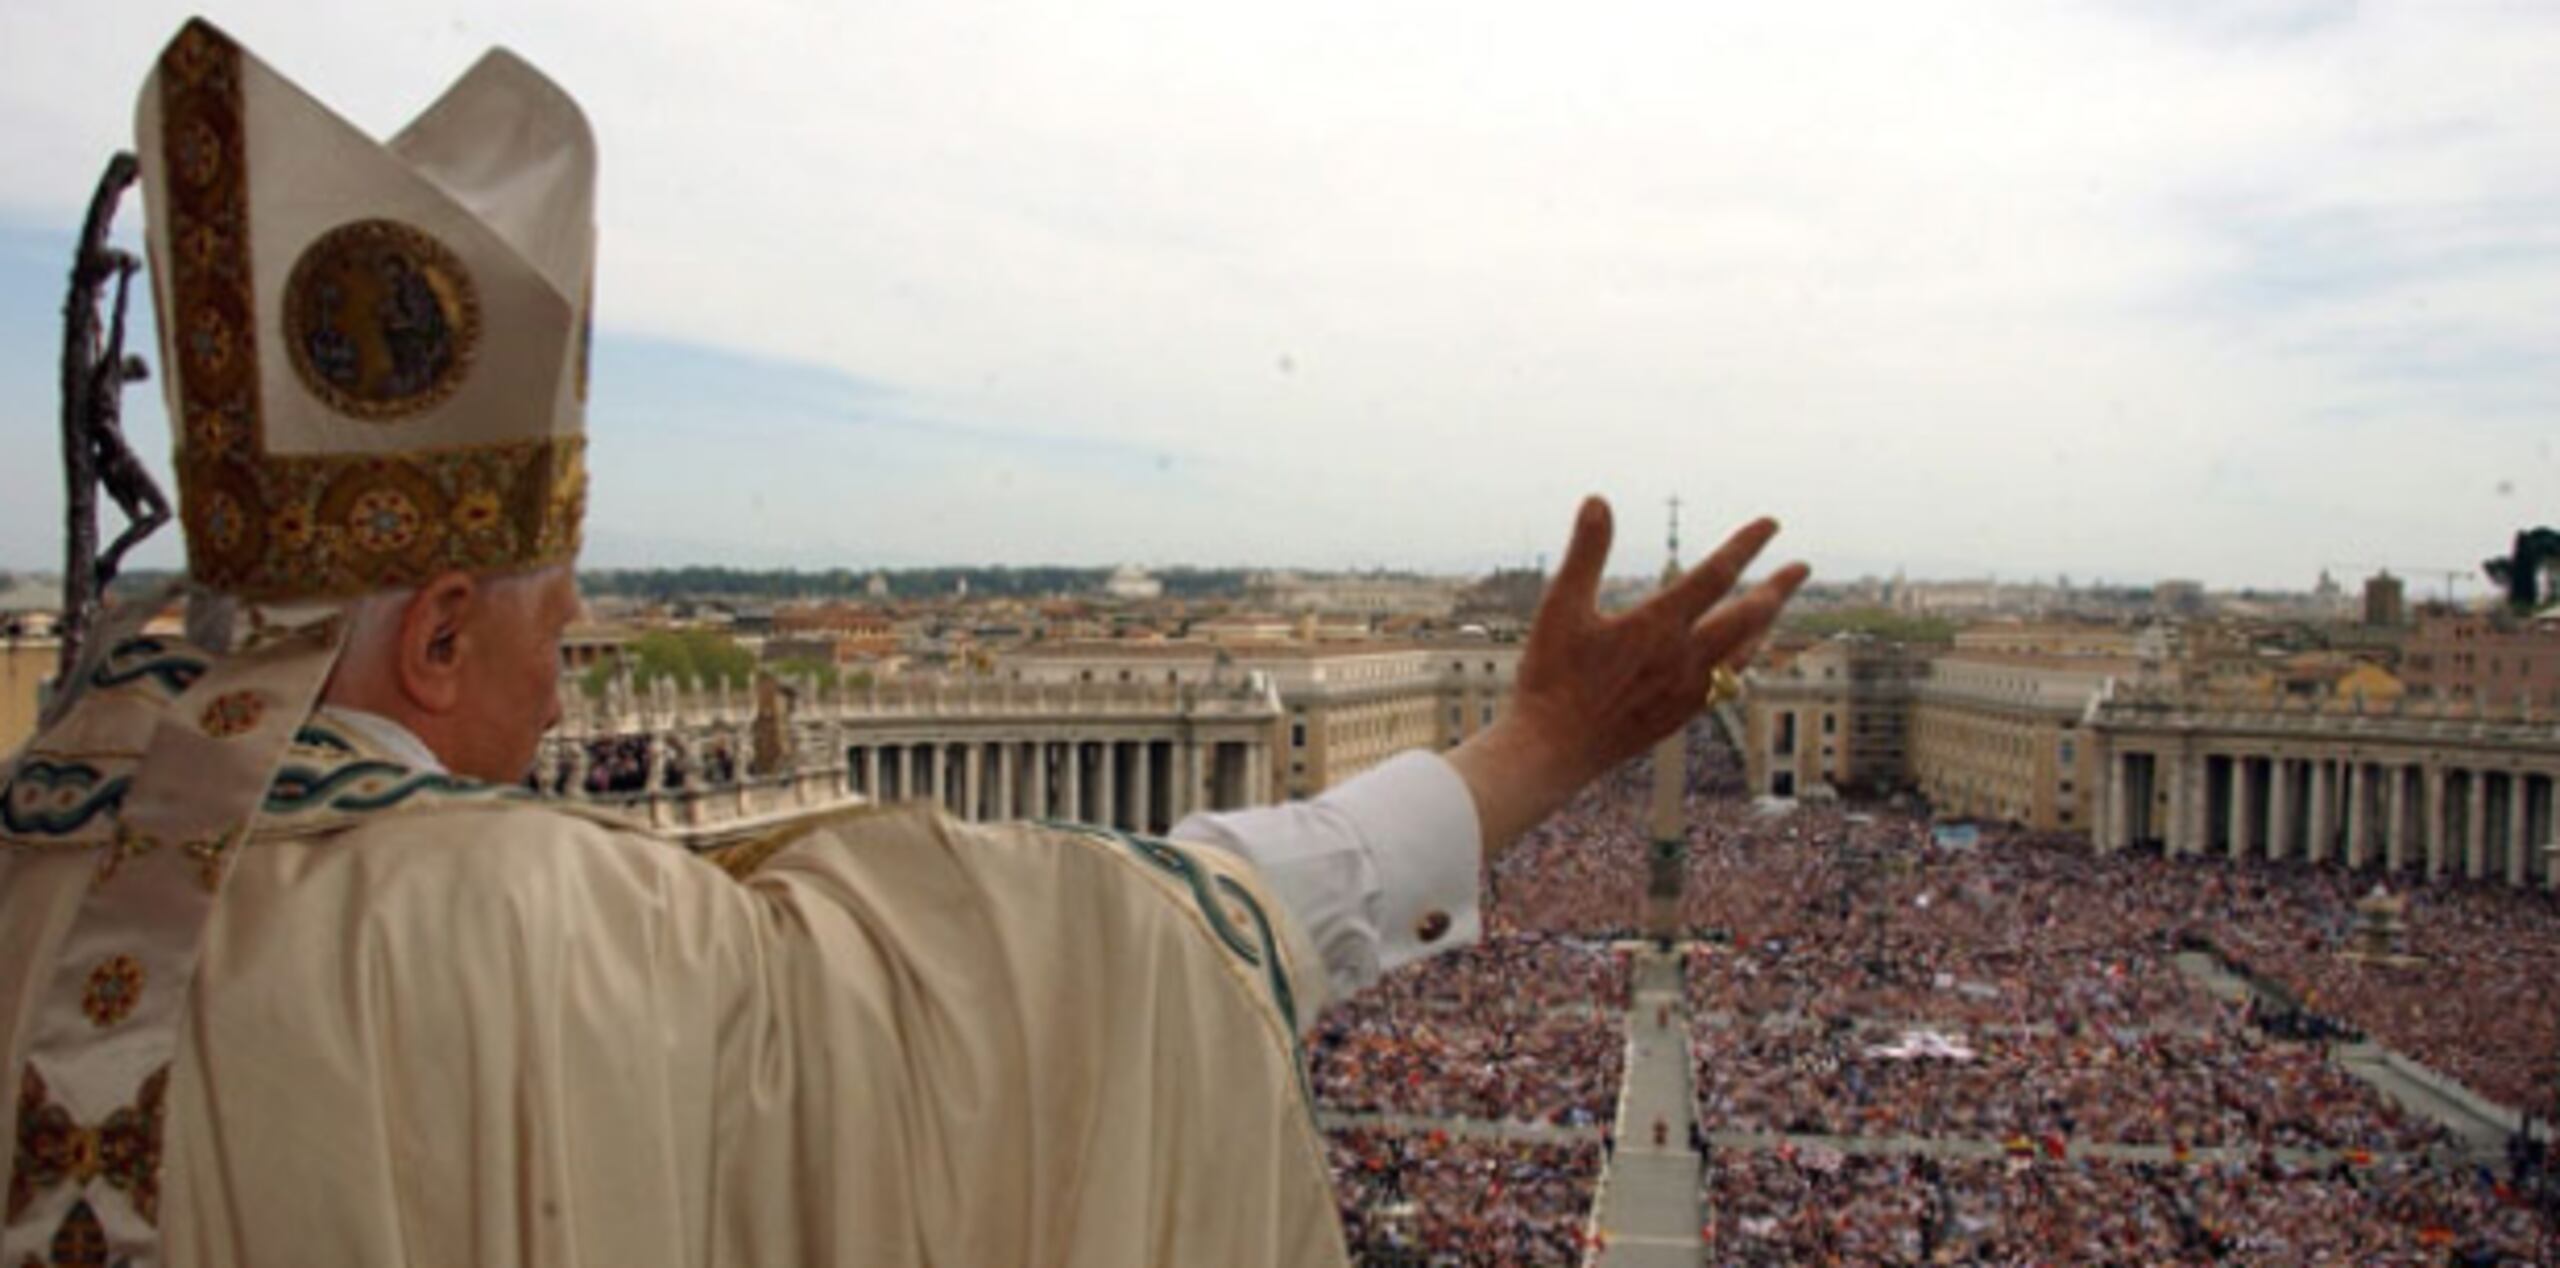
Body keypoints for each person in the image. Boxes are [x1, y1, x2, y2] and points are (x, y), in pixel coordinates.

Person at [0, 20, 1806, 1268]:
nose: (577, 661)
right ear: (444, 636)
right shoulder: (536, 930)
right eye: (558, 620)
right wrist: (1541, 751)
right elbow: (1094, 957)